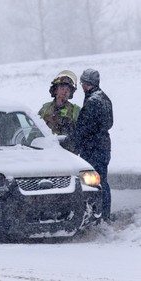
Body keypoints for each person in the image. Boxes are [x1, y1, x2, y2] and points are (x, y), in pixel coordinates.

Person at [62, 69, 113, 221]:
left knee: (92, 183)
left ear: (87, 83)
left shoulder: (92, 102)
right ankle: (105, 214)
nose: (82, 86)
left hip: (93, 148)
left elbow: (83, 128)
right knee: (102, 180)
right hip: (104, 145)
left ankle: (97, 216)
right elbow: (109, 123)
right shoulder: (104, 98)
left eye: (83, 83)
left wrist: (68, 143)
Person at [39, 70, 81, 135]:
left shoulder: (76, 110)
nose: (65, 91)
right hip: (48, 144)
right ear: (55, 90)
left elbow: (83, 134)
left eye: (68, 89)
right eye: (62, 88)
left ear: (70, 93)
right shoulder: (45, 108)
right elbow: (35, 130)